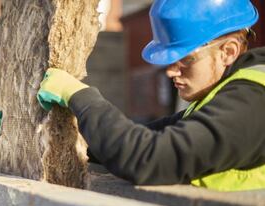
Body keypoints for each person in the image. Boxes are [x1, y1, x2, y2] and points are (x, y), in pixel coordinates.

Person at [36, 0, 265, 191]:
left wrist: (80, 96)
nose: (171, 71)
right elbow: (144, 136)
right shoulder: (224, 94)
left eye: (185, 58)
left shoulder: (253, 103)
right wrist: (50, 133)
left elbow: (147, 157)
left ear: (228, 52)